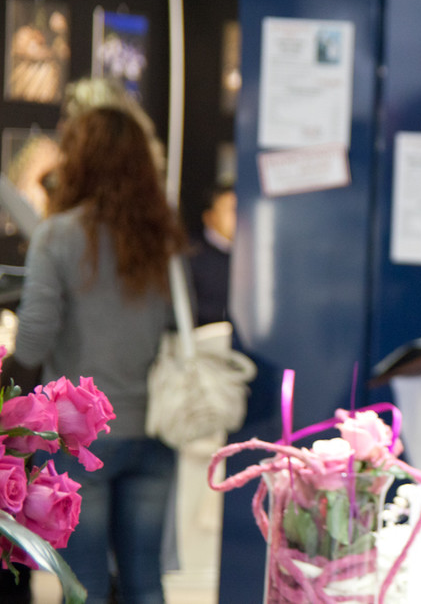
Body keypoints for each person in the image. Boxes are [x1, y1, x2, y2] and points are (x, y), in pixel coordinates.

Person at [12, 106, 187, 603]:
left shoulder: (58, 235)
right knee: (144, 583)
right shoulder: (161, 237)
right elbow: (177, 323)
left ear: (79, 159)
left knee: (82, 585)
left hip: (80, 436)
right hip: (155, 427)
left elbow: (33, 339)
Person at [189, 182, 236, 326]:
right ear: (209, 217)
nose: (238, 216)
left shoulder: (255, 254)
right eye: (231, 210)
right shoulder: (191, 254)